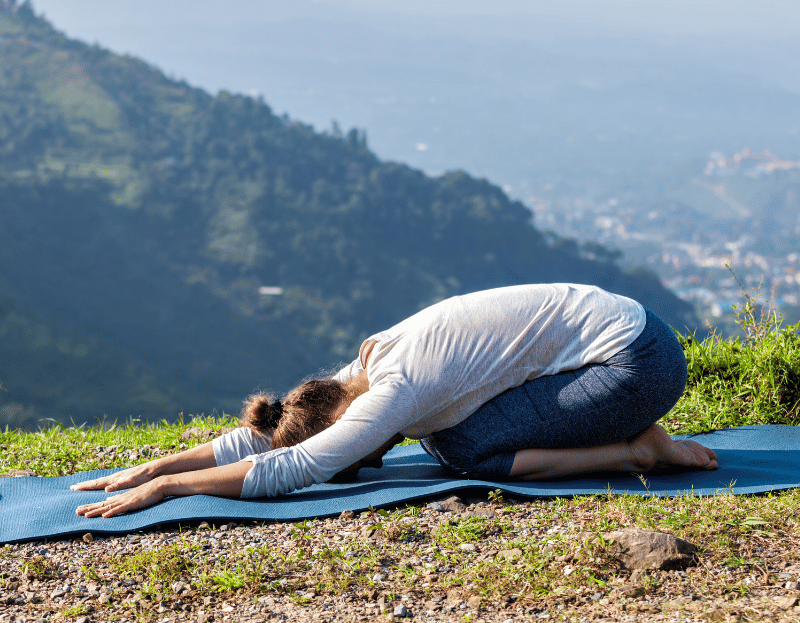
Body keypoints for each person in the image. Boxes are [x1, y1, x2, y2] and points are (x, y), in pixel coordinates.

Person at [73, 283, 717, 518]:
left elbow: (292, 468)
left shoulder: (392, 392)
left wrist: (172, 491)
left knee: (465, 451)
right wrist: (159, 465)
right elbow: (270, 441)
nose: (365, 459)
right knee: (449, 436)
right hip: (623, 327)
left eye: (355, 453)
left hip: (636, 364)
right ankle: (636, 442)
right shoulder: (369, 360)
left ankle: (640, 449)